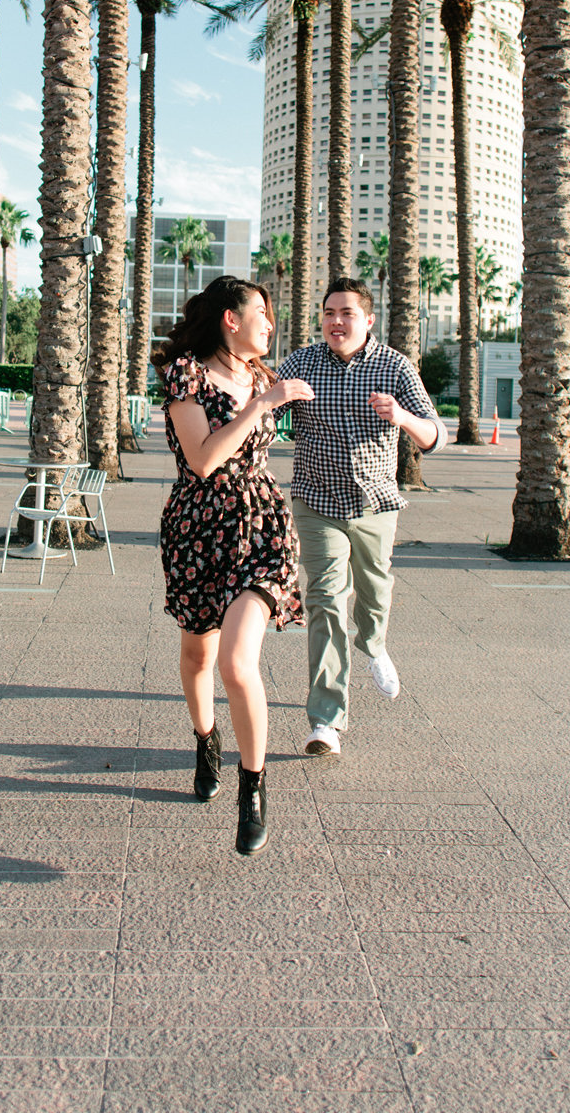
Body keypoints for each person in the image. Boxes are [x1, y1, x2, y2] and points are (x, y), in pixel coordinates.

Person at [153, 275, 314, 856]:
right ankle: (205, 739)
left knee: (238, 661)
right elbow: (201, 459)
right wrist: (264, 405)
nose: (270, 325)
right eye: (262, 314)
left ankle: (254, 788)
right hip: (199, 528)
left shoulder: (265, 377)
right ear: (230, 318)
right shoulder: (187, 374)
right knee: (198, 653)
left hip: (263, 525)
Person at [277, 278, 447, 757]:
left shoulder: (394, 366)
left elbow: (436, 435)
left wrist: (403, 418)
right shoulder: (304, 361)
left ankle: (372, 644)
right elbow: (264, 395)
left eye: (347, 313)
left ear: (368, 320)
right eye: (329, 312)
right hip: (317, 502)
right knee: (325, 599)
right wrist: (276, 399)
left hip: (375, 505)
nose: (336, 321)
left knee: (375, 588)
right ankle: (326, 721)